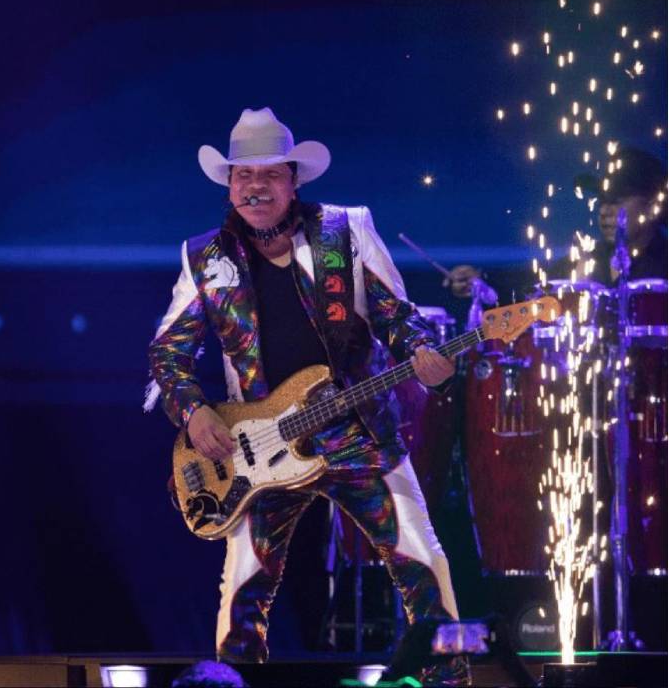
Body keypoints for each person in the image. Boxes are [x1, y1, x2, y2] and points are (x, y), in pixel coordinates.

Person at [146, 108, 469, 685]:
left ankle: (449, 681)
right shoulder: (205, 259)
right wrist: (194, 414)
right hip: (258, 449)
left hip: (357, 430)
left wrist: (427, 357)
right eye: (243, 176)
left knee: (424, 561)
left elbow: (399, 316)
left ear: (295, 180)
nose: (256, 187)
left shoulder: (346, 231)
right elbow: (167, 354)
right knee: (241, 591)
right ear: (230, 186)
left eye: (270, 174)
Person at [445, 148, 667, 297]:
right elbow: (533, 289)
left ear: (652, 205)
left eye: (617, 201)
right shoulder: (589, 258)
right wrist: (481, 282)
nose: (604, 211)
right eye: (601, 201)